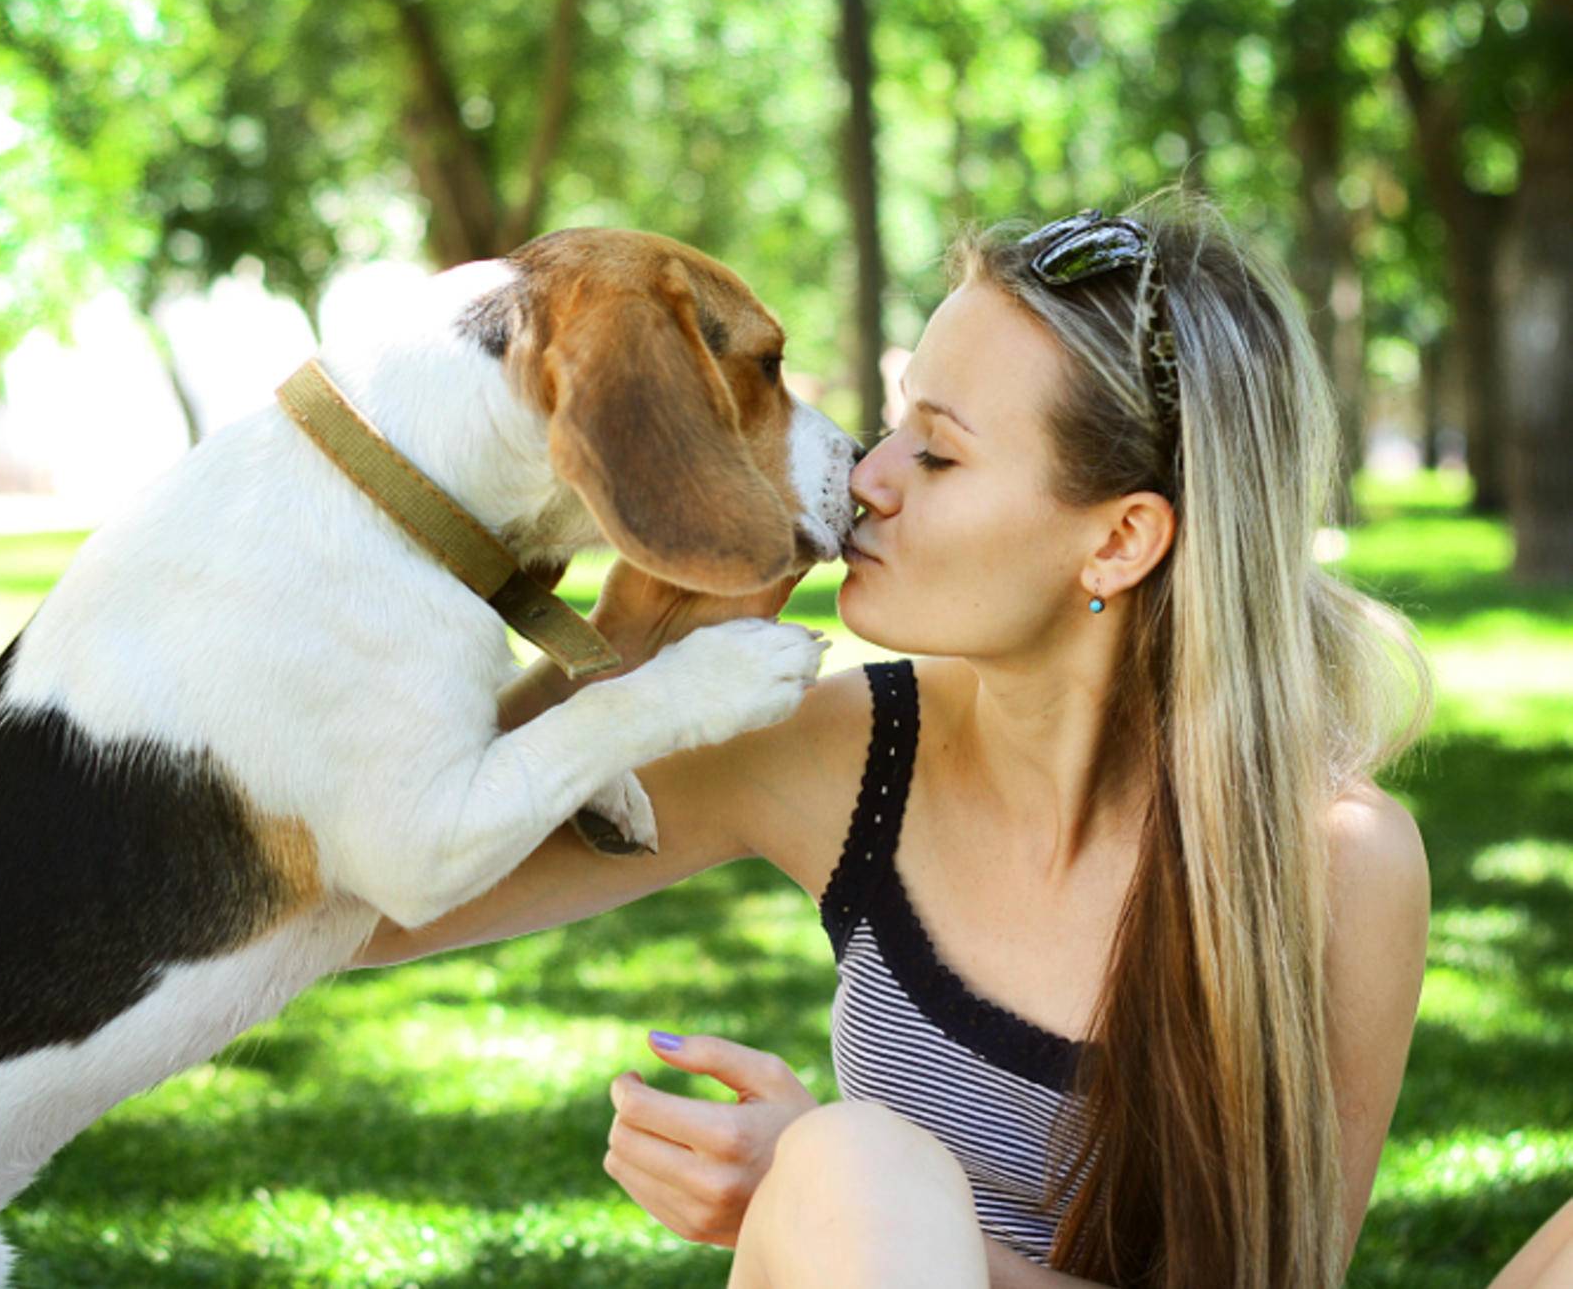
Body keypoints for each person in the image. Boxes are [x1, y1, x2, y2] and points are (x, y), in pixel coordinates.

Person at [358, 194, 1433, 1288]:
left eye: (939, 455)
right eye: (897, 420)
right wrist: (633, 640)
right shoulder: (849, 753)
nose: (866, 477)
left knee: (849, 1159)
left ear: (1116, 539)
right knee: (852, 1165)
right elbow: (378, 894)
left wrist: (816, 1195)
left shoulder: (1332, 857)